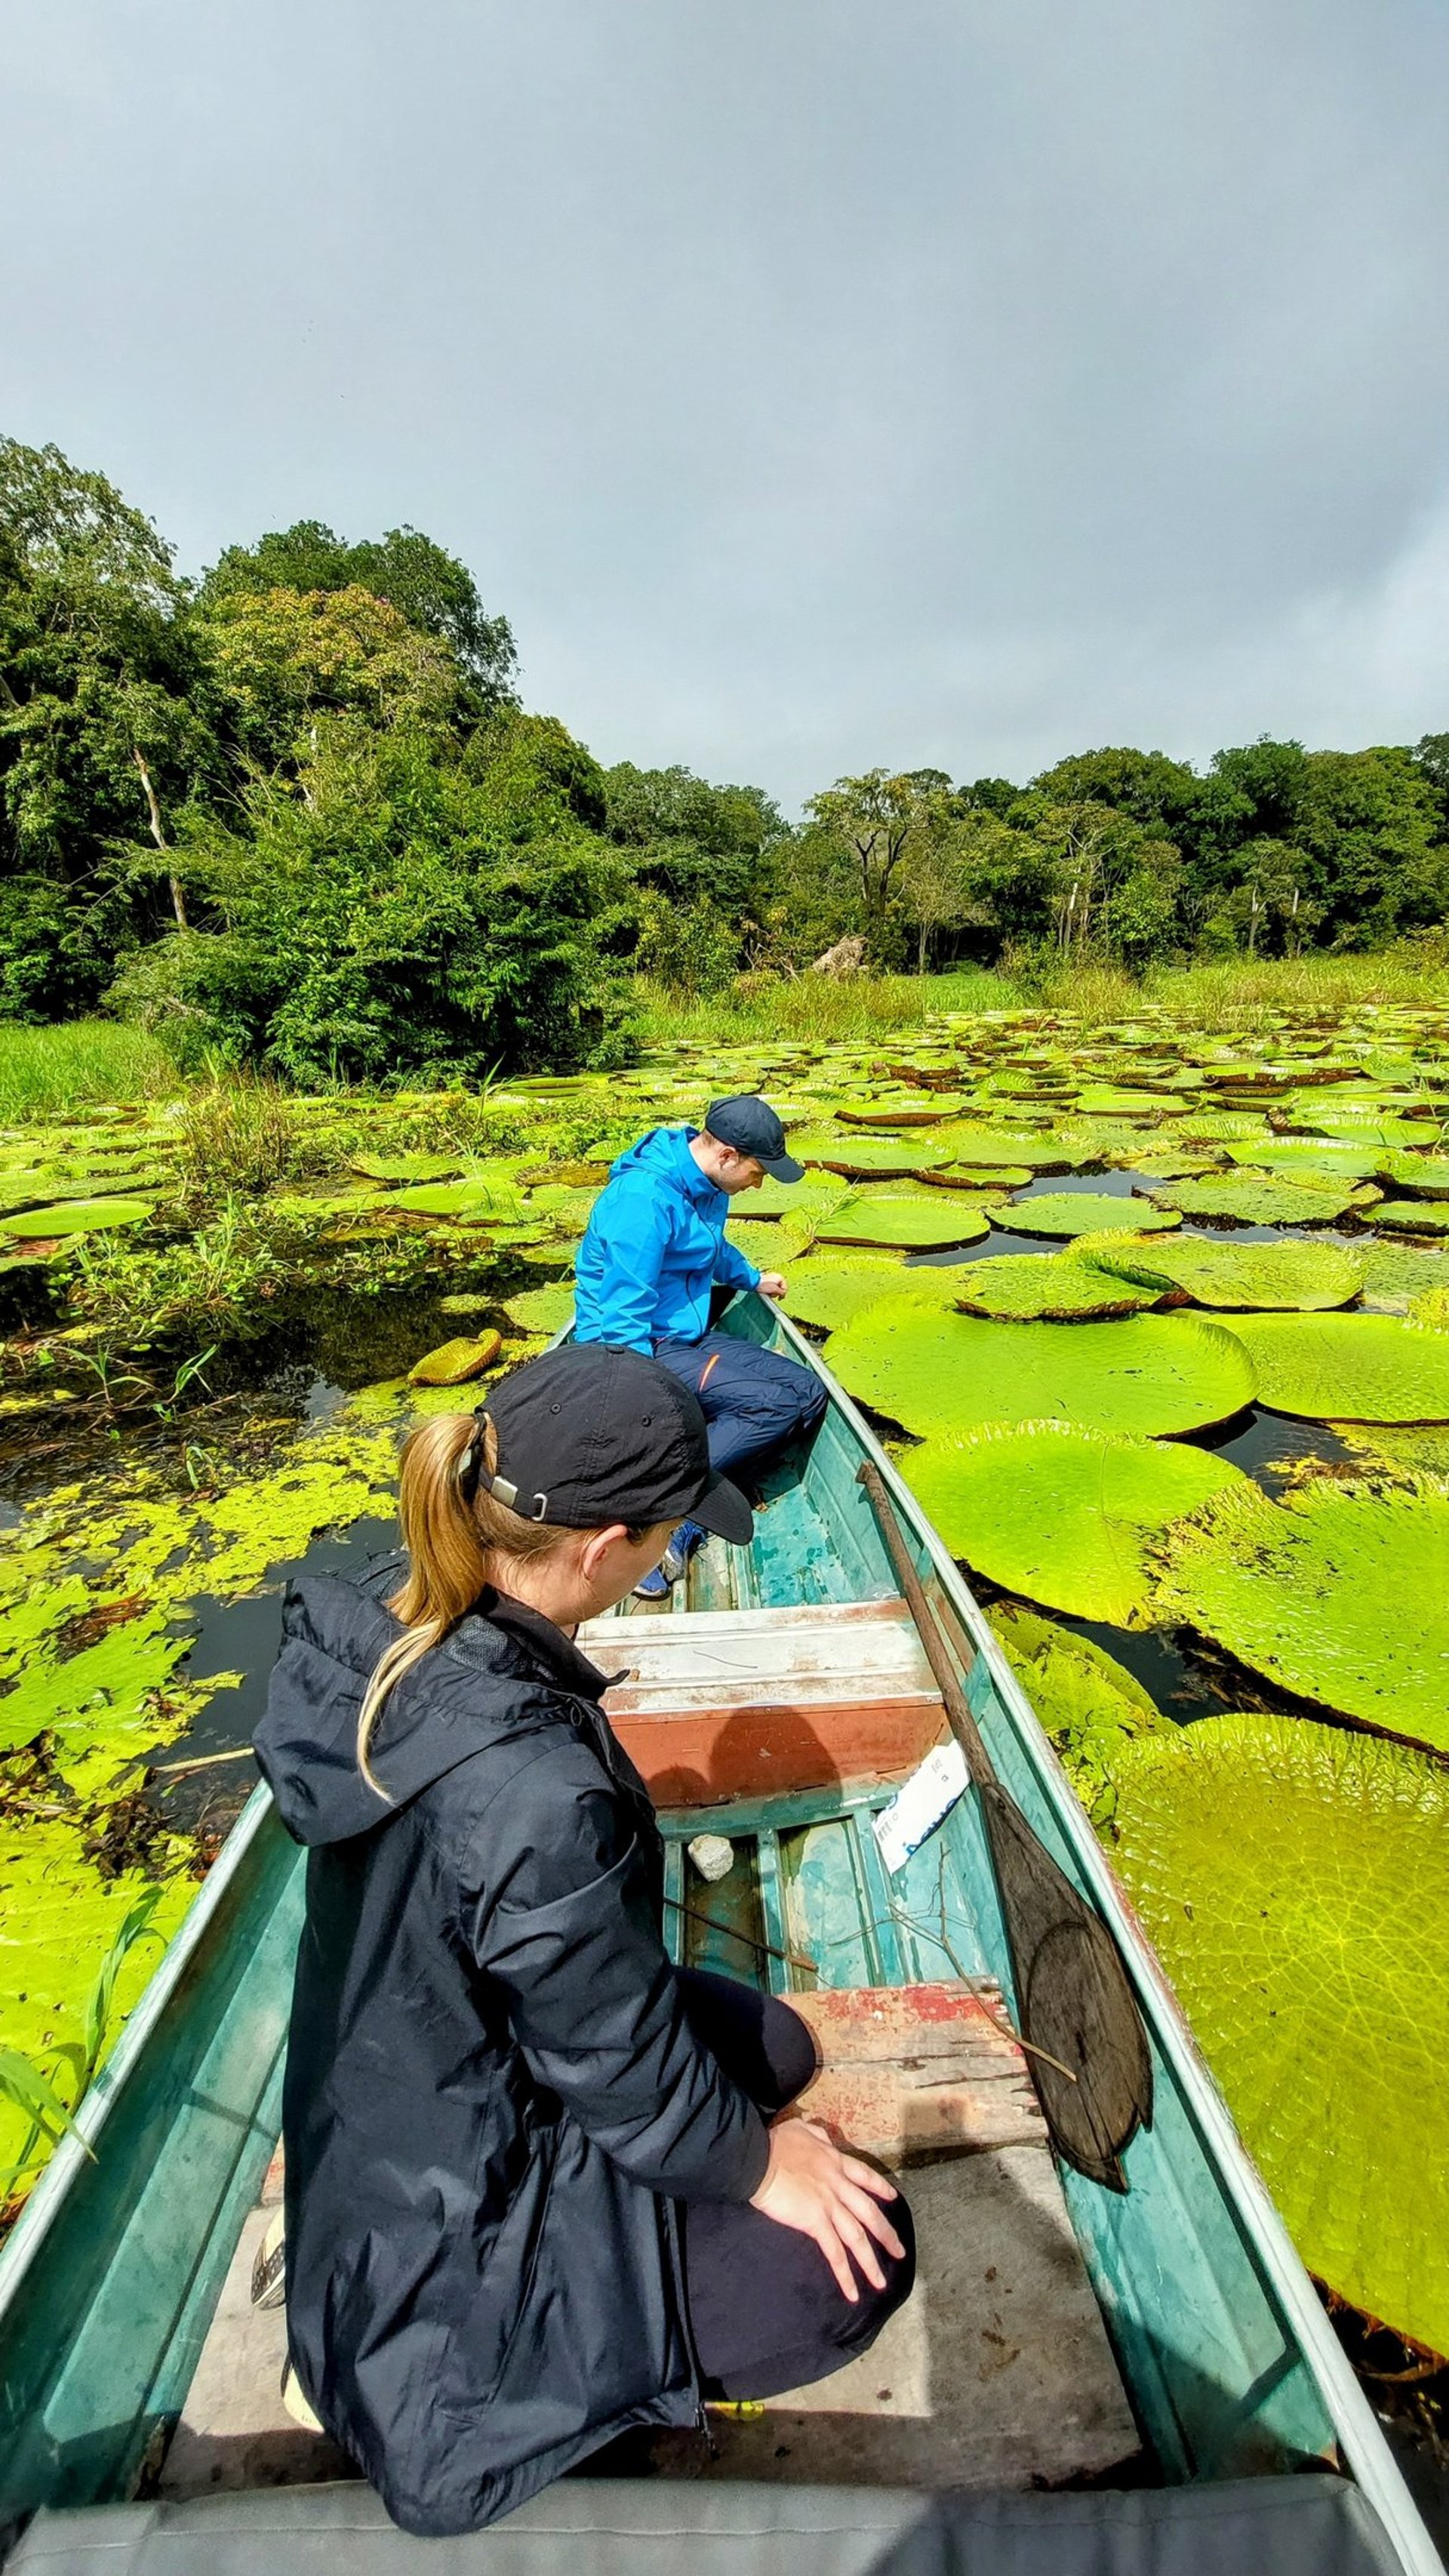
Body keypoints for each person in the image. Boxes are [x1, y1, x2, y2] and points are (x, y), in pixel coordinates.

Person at [254, 1343, 913, 2538]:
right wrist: (764, 2167)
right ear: (610, 1549)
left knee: (771, 2044)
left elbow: (582, 2005)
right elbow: (609, 2059)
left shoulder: (404, 1636)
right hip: (447, 2252)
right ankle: (572, 2396)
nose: (672, 1547)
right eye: (671, 1530)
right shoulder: (536, 1792)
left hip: (417, 2081)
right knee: (857, 2262)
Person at [574, 1093, 829, 1596]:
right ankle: (652, 1507)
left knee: (808, 1392)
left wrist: (753, 1278)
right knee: (772, 1406)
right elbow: (623, 1317)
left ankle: (693, 1505)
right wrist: (642, 1405)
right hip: (636, 1341)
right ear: (727, 1155)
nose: (761, 1183)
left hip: (685, 1332)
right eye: (760, 1171)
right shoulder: (642, 1200)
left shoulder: (710, 1184)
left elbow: (708, 1247)